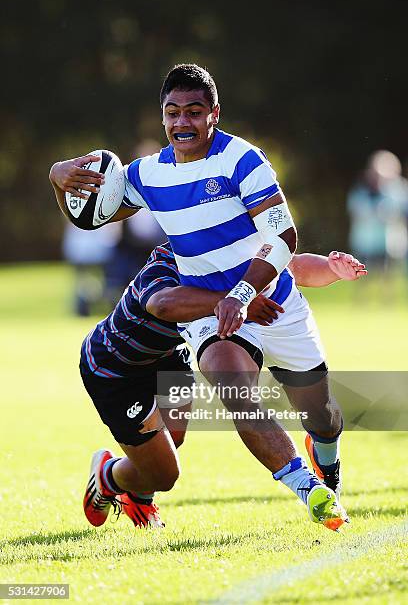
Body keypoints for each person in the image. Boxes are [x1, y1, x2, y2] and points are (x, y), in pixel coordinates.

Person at [50, 64, 366, 531]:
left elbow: (284, 237)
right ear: (162, 117)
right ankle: (310, 491)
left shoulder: (243, 160)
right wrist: (58, 178)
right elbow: (89, 217)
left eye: (194, 112)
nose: (182, 123)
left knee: (323, 416)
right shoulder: (149, 174)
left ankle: (326, 460)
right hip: (212, 313)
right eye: (172, 113)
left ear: (214, 114)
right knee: (234, 390)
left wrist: (242, 292)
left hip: (275, 304)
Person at [81, 241, 366, 529]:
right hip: (115, 369)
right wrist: (235, 300)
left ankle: (138, 491)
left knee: (174, 439)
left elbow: (288, 266)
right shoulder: (168, 261)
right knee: (165, 476)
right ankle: (109, 475)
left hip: (168, 357)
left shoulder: (226, 247)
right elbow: (163, 304)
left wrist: (332, 269)